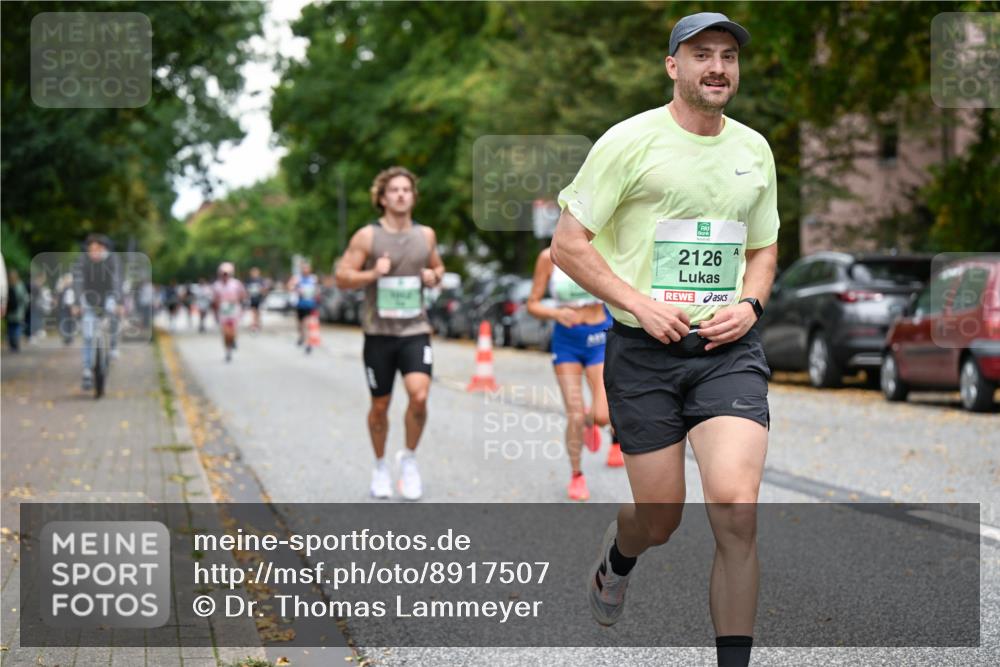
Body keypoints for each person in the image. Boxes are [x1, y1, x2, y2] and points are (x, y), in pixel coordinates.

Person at [550, 13, 778, 667]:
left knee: (735, 506)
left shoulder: (753, 150)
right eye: (701, 54)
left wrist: (751, 301)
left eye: (728, 56)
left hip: (724, 352)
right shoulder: (629, 142)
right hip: (642, 353)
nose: (717, 67)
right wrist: (637, 303)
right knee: (661, 519)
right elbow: (568, 244)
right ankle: (618, 557)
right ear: (672, 66)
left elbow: (764, 247)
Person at [335, 166, 445, 501]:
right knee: (380, 406)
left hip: (414, 330)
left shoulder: (425, 235)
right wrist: (372, 274)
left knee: (420, 395)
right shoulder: (367, 236)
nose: (400, 195)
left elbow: (439, 268)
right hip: (379, 334)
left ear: (413, 197)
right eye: (393, 190)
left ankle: (408, 459)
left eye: (406, 190)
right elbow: (342, 276)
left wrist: (433, 276)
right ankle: (381, 466)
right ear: (382, 198)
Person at [526, 245, 621, 502]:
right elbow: (532, 304)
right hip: (566, 341)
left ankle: (592, 422)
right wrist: (556, 312)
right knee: (575, 413)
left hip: (598, 337)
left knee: (603, 415)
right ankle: (577, 475)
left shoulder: (602, 250)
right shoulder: (548, 257)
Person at [72, 234, 124, 389]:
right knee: (88, 335)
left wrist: (119, 302)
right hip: (89, 299)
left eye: (99, 249)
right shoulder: (82, 261)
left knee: (113, 316)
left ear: (105, 249)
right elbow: (78, 282)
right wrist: (76, 303)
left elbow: (116, 281)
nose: (95, 252)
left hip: (108, 296)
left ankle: (113, 345)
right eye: (91, 249)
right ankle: (87, 370)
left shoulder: (112, 261)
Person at [212, 262, 248, 363]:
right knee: (225, 332)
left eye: (227, 274)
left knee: (232, 331)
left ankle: (233, 341)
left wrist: (239, 304)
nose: (225, 276)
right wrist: (215, 312)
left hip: (233, 308)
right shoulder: (216, 285)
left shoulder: (236, 284)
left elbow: (243, 295)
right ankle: (227, 351)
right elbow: (214, 300)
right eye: (223, 274)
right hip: (223, 310)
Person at [288, 261, 320, 353]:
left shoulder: (313, 278)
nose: (306, 270)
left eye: (307, 268)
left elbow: (317, 290)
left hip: (310, 305)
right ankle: (301, 336)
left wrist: (316, 295)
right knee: (299, 324)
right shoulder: (297, 278)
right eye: (304, 268)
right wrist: (296, 289)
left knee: (307, 323)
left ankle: (308, 344)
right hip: (300, 304)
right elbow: (290, 286)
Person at [5, 269, 29, 352]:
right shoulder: (20, 285)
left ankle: (12, 344)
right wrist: (25, 308)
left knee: (10, 327)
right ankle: (16, 344)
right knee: (17, 327)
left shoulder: (6, 285)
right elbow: (25, 299)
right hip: (19, 310)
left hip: (9, 311)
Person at [245, 267, 268, 333]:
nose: (254, 274)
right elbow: (246, 289)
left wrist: (262, 291)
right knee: (253, 312)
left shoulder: (261, 280)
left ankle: (258, 324)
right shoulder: (249, 280)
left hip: (259, 298)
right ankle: (254, 325)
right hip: (252, 299)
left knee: (258, 312)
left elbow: (265, 289)